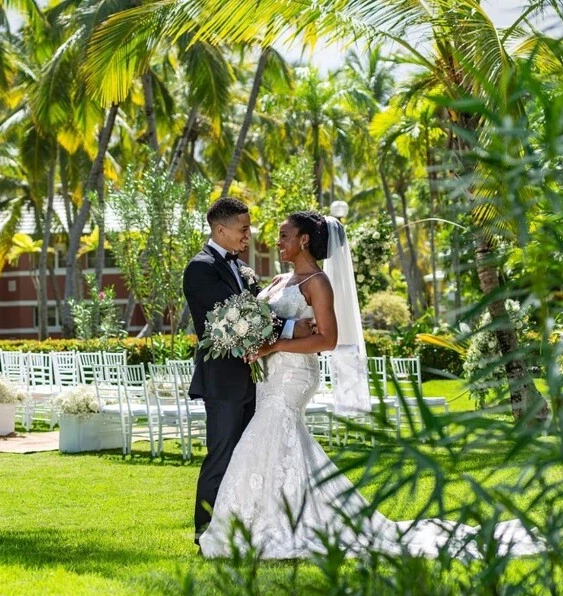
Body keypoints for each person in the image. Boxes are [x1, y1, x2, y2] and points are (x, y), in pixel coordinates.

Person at [199, 211, 543, 559]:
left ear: (304, 240)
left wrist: (275, 344)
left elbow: (329, 339)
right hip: (268, 377)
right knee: (280, 444)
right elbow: (263, 321)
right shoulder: (275, 280)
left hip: (293, 377)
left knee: (268, 435)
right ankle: (277, 517)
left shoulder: (317, 283)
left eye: (284, 235)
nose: (277, 241)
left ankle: (264, 524)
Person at [183, 197, 315, 547]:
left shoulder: (243, 269)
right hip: (223, 381)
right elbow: (230, 317)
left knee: (247, 457)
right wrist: (289, 329)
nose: (249, 235)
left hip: (257, 379)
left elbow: (257, 310)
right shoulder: (200, 268)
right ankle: (205, 528)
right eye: (243, 229)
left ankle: (243, 523)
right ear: (220, 229)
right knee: (223, 453)